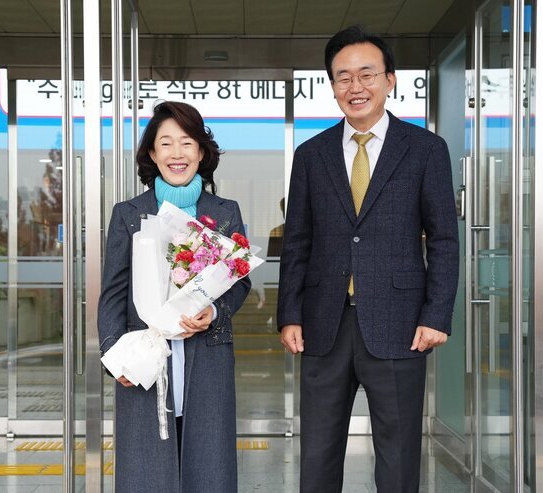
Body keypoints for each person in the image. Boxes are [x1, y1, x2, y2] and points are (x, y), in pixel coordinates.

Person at [277, 25, 459, 493]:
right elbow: (297, 242)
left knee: (398, 458)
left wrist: (436, 315)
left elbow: (443, 239)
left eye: (366, 74)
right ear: (332, 85)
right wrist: (289, 313)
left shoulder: (425, 150)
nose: (355, 86)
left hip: (401, 324)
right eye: (343, 77)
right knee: (318, 454)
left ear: (389, 80)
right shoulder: (311, 155)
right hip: (323, 323)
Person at [98, 101, 250, 492]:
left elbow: (239, 280)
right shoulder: (128, 214)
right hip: (145, 357)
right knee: (147, 470)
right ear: (152, 153)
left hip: (208, 355)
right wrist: (116, 357)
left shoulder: (225, 212)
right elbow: (113, 292)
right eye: (165, 143)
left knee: (208, 468)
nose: (176, 153)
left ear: (201, 151)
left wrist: (214, 311)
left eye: (186, 142)